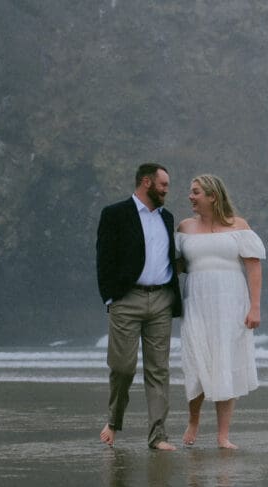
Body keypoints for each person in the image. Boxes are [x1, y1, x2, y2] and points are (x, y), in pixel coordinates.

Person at [96, 163, 183, 450]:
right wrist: (111, 298)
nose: (167, 190)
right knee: (122, 367)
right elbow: (104, 258)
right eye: (163, 185)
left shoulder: (167, 218)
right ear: (146, 182)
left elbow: (171, 257)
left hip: (161, 300)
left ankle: (158, 435)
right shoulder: (115, 214)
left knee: (159, 370)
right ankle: (114, 420)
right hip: (127, 299)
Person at [176, 174, 265, 449]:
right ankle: (193, 420)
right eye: (191, 192)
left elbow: (253, 267)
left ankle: (223, 435)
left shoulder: (239, 226)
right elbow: (174, 266)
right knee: (196, 361)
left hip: (231, 303)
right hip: (197, 302)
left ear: (213, 196)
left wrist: (255, 307)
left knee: (225, 362)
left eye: (196, 192)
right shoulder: (185, 227)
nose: (190, 197)